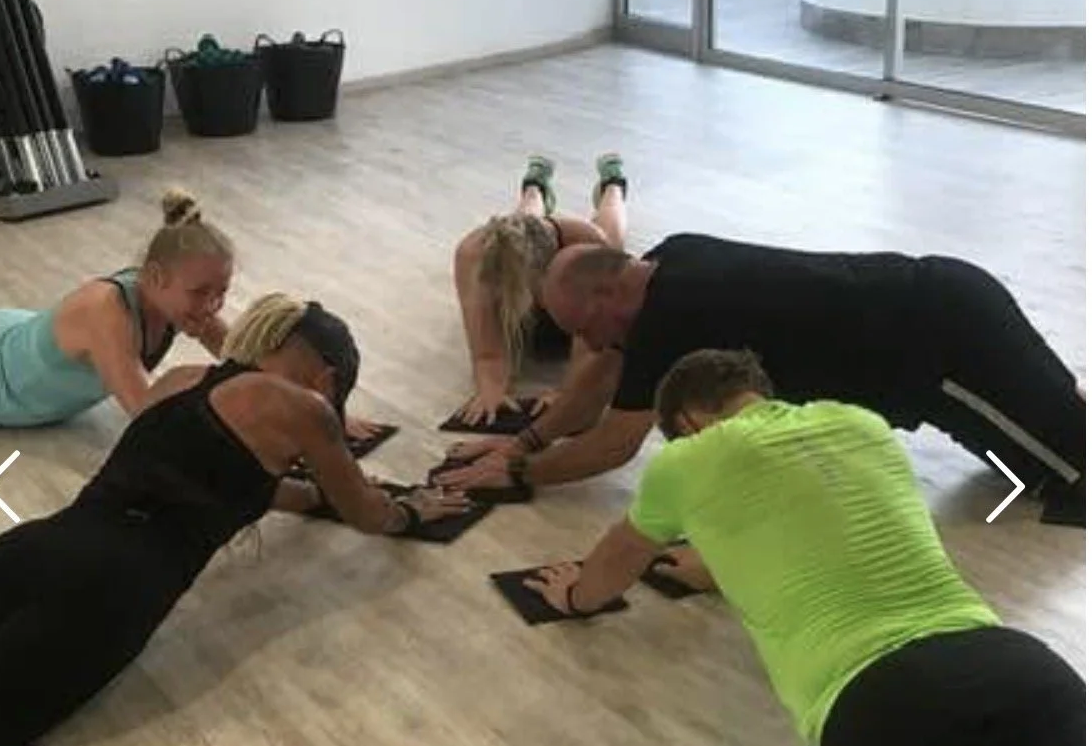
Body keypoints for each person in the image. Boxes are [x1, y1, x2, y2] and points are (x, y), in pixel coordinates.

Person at [526, 348, 1085, 746]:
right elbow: (813, 513)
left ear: (686, 421)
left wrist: (572, 595)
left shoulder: (684, 461)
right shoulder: (858, 424)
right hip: (1012, 661)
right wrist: (714, 562)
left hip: (887, 706)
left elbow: (610, 569)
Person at [0, 293, 465, 746]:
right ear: (326, 380)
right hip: (105, 592)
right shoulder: (307, 409)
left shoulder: (182, 381)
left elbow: (228, 480)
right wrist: (411, 510)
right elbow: (368, 513)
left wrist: (317, 495)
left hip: (28, 549)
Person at [442, 232, 1086, 525]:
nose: (583, 344)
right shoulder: (669, 257)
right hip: (938, 323)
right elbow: (599, 381)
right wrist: (521, 443)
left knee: (1076, 473)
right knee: (1022, 474)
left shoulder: (673, 313)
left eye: (582, 324)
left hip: (946, 342)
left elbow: (615, 444)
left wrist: (520, 475)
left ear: (610, 290)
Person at [0, 189, 233, 430]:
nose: (213, 306)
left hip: (12, 337)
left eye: (221, 293)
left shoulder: (176, 299)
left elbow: (243, 356)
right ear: (154, 276)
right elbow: (146, 412)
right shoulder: (107, 311)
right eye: (201, 292)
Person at [452, 153, 629, 425]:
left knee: (611, 240)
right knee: (520, 223)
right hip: (521, 241)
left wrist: (569, 390)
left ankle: (613, 185)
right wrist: (490, 388)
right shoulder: (473, 255)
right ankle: (535, 186)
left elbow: (597, 338)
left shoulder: (585, 244)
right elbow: (486, 351)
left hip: (571, 242)